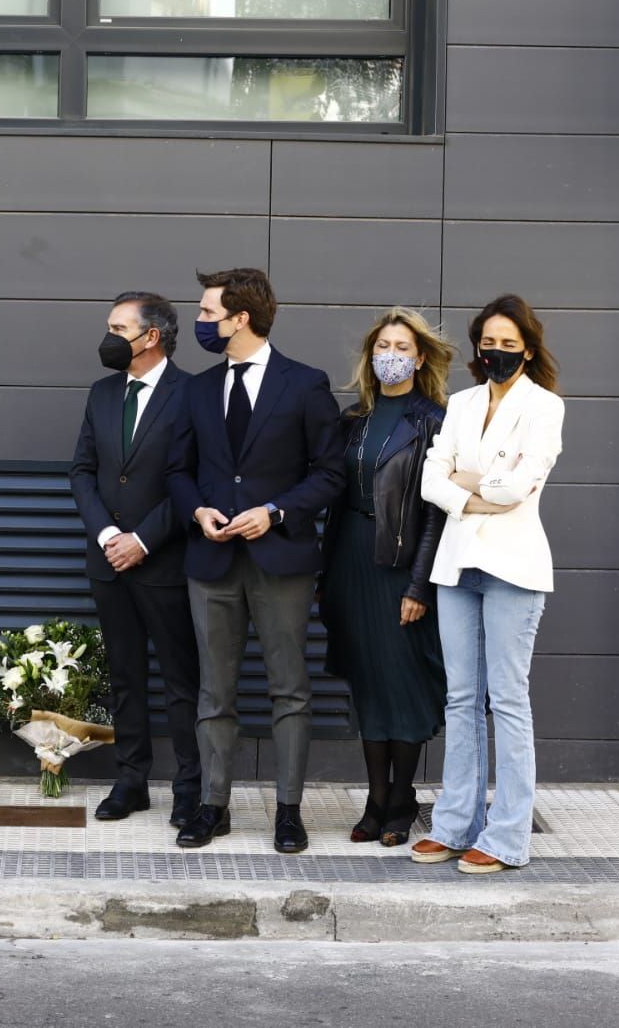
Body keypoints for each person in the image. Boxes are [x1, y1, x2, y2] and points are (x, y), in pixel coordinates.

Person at [165, 268, 344, 853]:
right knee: (214, 693)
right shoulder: (195, 389)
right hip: (211, 560)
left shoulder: (305, 384)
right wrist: (198, 514)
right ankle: (213, 806)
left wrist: (276, 511)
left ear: (241, 318)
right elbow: (178, 472)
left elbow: (331, 473)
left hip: (281, 559)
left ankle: (289, 811)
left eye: (208, 313)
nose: (200, 322)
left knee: (289, 689)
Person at [410, 293, 564, 874]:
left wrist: (468, 484)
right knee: (460, 699)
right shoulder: (463, 401)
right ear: (478, 346)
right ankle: (454, 826)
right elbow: (431, 478)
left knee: (508, 700)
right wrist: (476, 490)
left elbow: (519, 487)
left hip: (513, 569)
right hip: (457, 565)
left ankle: (505, 837)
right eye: (489, 342)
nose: (496, 352)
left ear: (527, 348)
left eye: (509, 343)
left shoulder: (545, 407)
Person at [69, 291, 202, 828]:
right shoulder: (102, 393)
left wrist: (142, 539)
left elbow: (195, 480)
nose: (108, 337)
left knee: (181, 680)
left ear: (152, 336)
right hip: (108, 562)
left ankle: (190, 788)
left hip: (164, 561)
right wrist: (106, 533)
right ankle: (131, 781)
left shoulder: (193, 394)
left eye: (118, 327)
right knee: (124, 676)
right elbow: (82, 470)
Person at [320, 307, 451, 847]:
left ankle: (402, 799)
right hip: (351, 557)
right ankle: (375, 800)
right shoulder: (353, 418)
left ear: (420, 358)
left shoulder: (433, 421)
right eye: (382, 347)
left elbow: (435, 513)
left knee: (403, 685)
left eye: (401, 347)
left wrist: (420, 585)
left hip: (401, 565)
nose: (389, 356)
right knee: (369, 685)